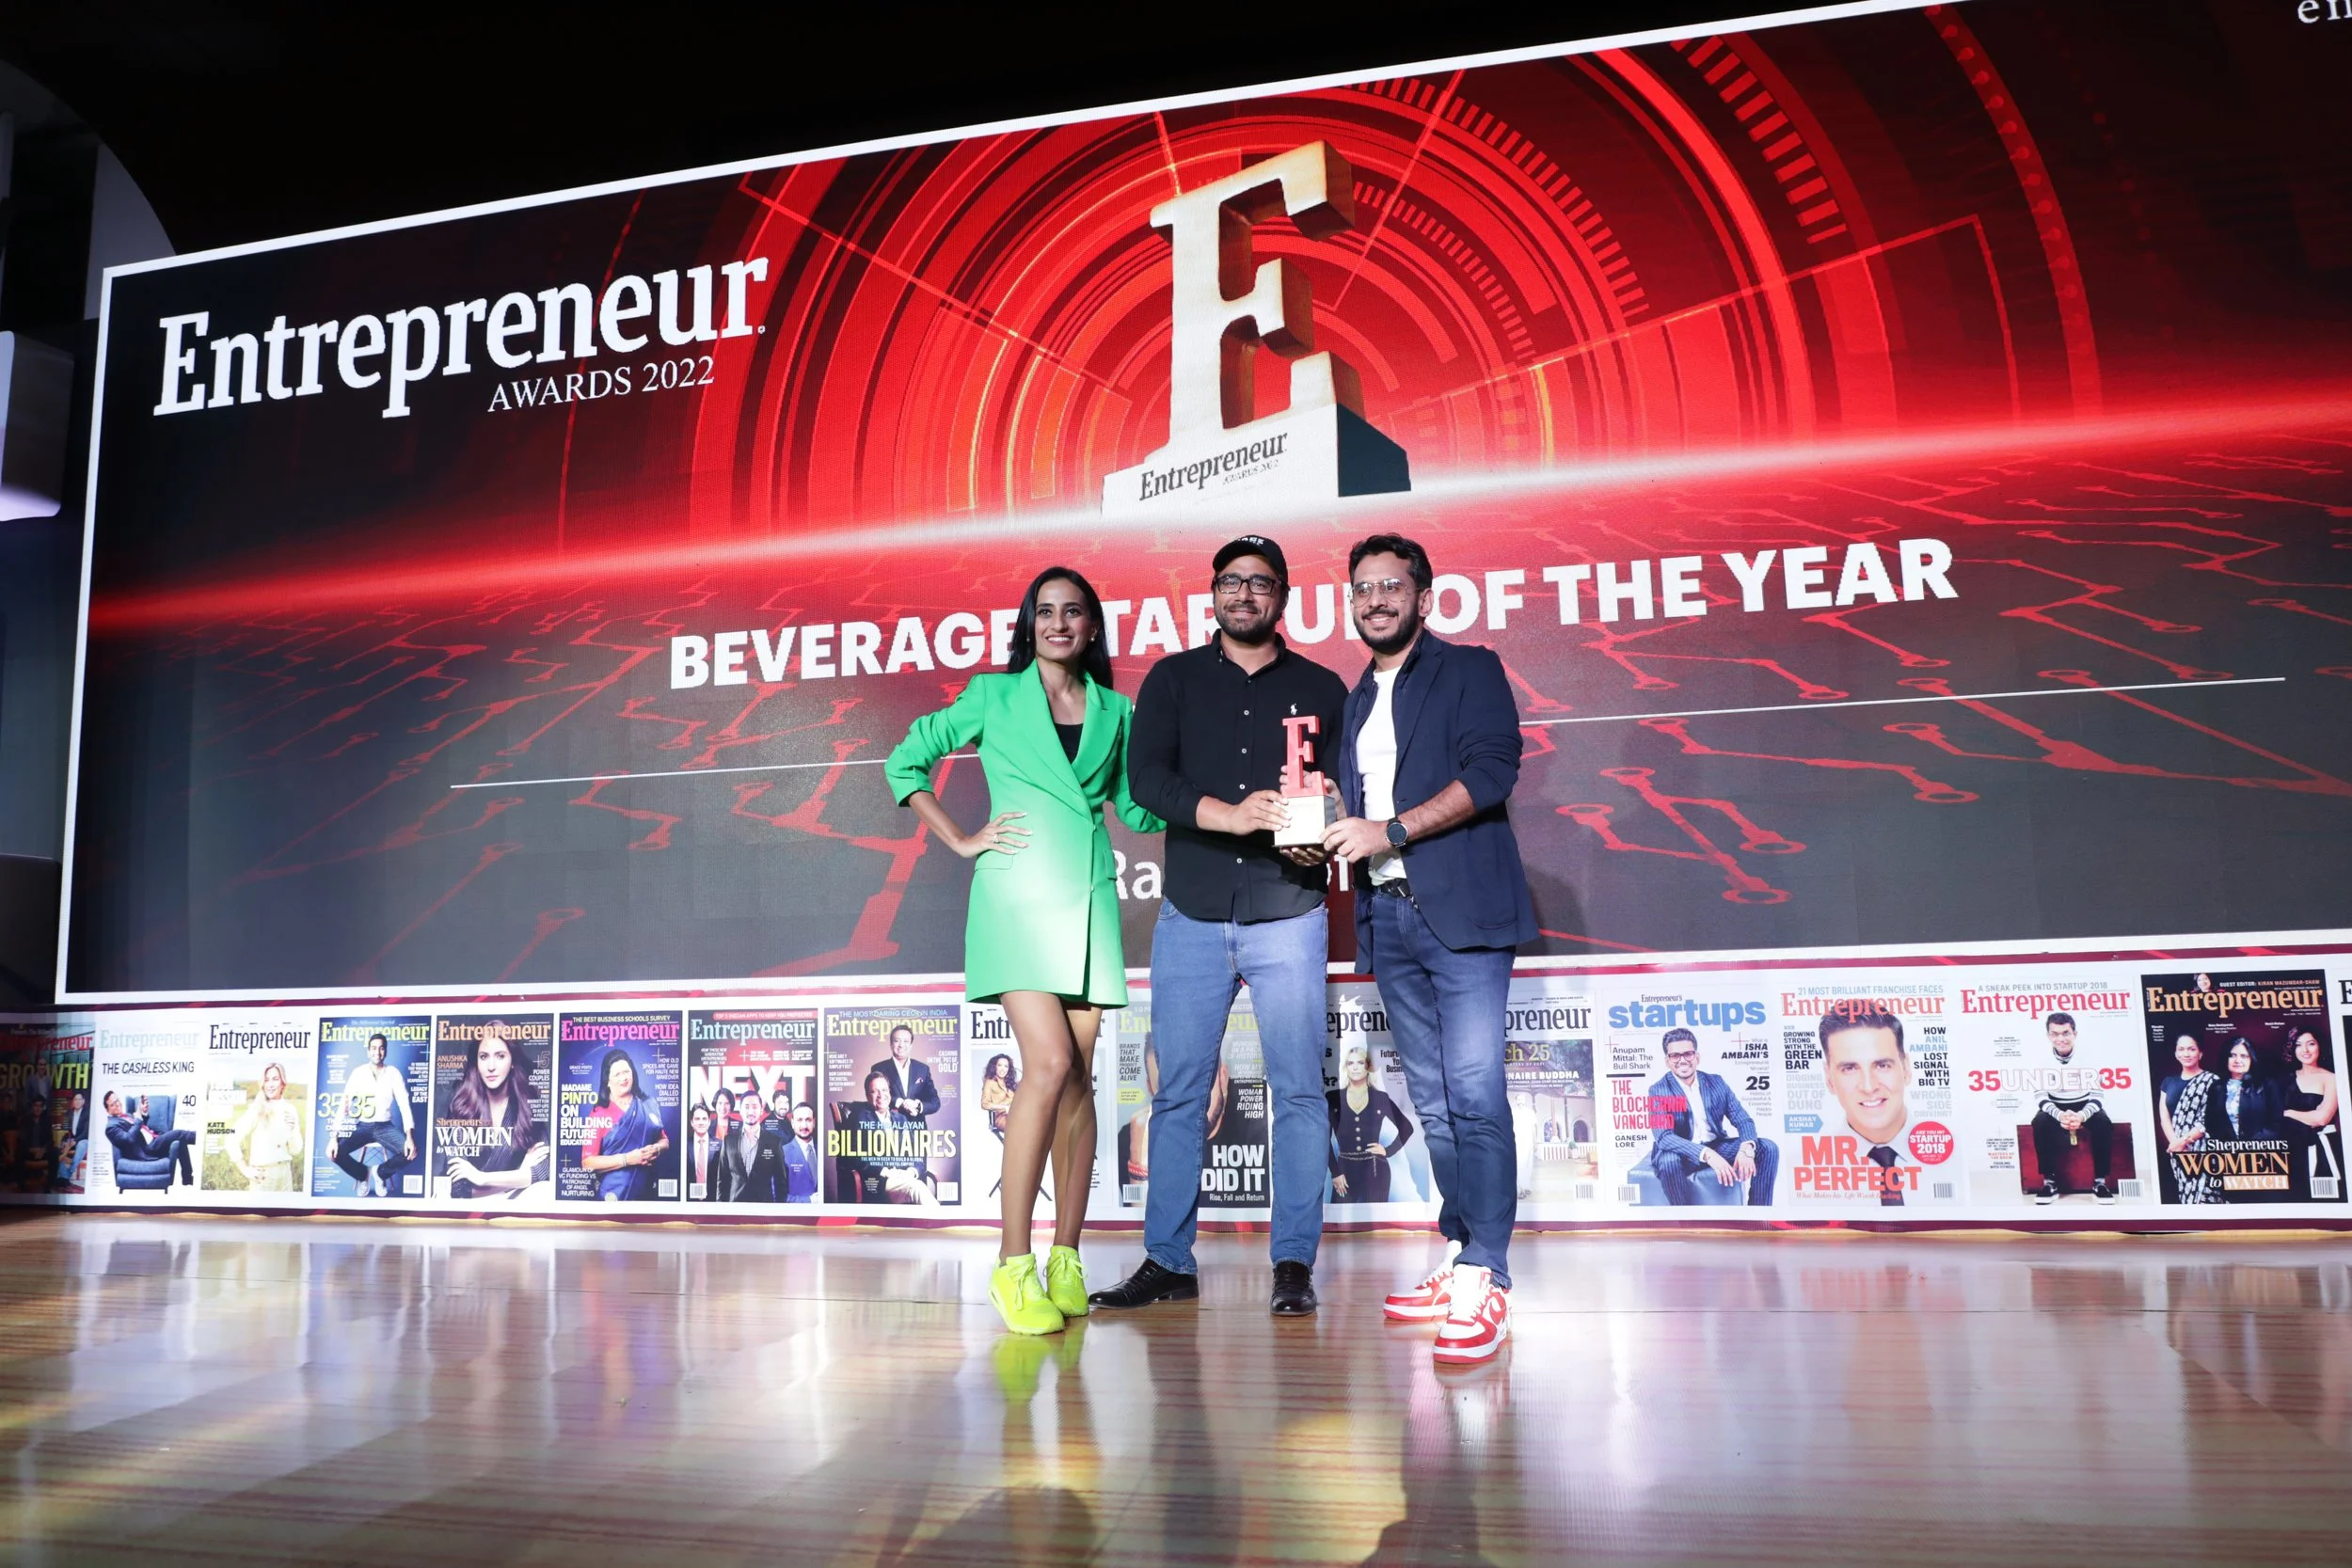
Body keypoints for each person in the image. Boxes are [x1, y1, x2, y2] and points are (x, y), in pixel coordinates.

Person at [886, 565, 1163, 1334]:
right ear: (1029, 623)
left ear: (1092, 626)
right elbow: (905, 761)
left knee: (1078, 1082)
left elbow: (1136, 806)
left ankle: (1065, 1257)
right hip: (1014, 901)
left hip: (1088, 900)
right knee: (1046, 1064)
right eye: (1046, 611)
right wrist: (960, 837)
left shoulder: (1117, 710)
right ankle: (1013, 1265)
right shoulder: (993, 695)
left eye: (1073, 611)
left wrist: (1202, 793)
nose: (1058, 623)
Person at [1091, 534, 1347, 1321]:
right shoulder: (1172, 678)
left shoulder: (1322, 686)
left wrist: (1330, 818)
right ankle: (1168, 1260)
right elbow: (1147, 780)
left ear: (1282, 597)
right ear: (1213, 594)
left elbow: (1346, 790)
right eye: (1232, 581)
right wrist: (1229, 815)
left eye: (1260, 583)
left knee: (1298, 1091)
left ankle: (1293, 1263)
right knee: (1177, 1094)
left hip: (1289, 908)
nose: (1244, 594)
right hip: (1194, 911)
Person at [1323, 533, 1537, 1365]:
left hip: (1465, 913)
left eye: (1391, 585)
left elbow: (1492, 773)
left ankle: (1489, 1274)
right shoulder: (1354, 698)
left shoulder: (1469, 668)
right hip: (1391, 918)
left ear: (1423, 595)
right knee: (1438, 1106)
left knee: (1475, 1093)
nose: (1375, 599)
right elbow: (1359, 808)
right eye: (1362, 587)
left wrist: (1392, 829)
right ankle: (1461, 1248)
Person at [1645, 1028, 1778, 1205]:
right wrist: (1707, 1154)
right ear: (1667, 1061)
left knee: (1768, 1148)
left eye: (1688, 1054)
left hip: (1716, 1145)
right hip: (1681, 1153)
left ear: (1697, 1057)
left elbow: (1743, 1119)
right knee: (1669, 1162)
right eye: (1675, 1056)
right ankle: (1685, 1218)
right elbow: (1664, 1137)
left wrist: (1746, 1148)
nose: (1682, 1060)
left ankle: (1758, 1214)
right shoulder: (1658, 1090)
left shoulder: (1716, 1082)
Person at [1819, 1004, 1919, 1207]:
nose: (1868, 1087)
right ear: (1829, 1079)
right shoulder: (1793, 1171)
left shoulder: (1958, 1157)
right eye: (1849, 1068)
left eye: (1882, 1065)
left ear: (1906, 1068)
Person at [440, 1024, 548, 1201]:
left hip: (507, 1200)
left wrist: (481, 1178)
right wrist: (520, 1175)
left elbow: (543, 1171)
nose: (491, 1067)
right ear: (476, 1062)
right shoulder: (461, 1105)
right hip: (465, 1205)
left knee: (545, 1189)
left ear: (512, 1061)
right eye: (484, 1057)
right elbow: (459, 1189)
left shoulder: (527, 1104)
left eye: (500, 1056)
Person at [2028, 1010, 2116, 1205]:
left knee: (2103, 1123)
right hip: (2055, 1105)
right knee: (2040, 1122)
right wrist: (2060, 1115)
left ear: (2074, 1034)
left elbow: (2097, 1096)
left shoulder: (2091, 1058)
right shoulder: (2040, 1060)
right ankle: (2049, 1182)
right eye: (2055, 1034)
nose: (2061, 1039)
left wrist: (2082, 1116)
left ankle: (2100, 1182)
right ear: (2048, 1035)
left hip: (2084, 1104)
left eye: (2066, 1033)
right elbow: (2041, 1097)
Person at [1327, 1040, 1415, 1203]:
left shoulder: (1380, 1098)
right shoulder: (1333, 1098)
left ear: (1367, 1067)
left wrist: (1388, 1151)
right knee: (1341, 1217)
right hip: (1344, 1171)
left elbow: (1407, 1128)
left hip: (1376, 1171)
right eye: (1350, 1063)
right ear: (1346, 1067)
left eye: (1360, 1063)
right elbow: (1323, 1139)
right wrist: (1335, 1172)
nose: (1355, 1067)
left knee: (1377, 1219)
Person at [578, 1047, 669, 1201]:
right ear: (607, 1081)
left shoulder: (648, 1104)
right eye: (617, 1074)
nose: (624, 1078)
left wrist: (656, 1149)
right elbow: (587, 1163)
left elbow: (664, 1139)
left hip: (648, 1192)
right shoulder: (597, 1114)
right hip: (614, 1196)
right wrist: (627, 1159)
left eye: (626, 1072)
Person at [836, 1069, 940, 1205]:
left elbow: (917, 1154)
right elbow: (855, 1158)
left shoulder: (901, 1119)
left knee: (916, 1189)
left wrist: (912, 1171)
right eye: (874, 1091)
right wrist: (886, 1172)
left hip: (905, 1179)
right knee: (918, 1187)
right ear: (867, 1096)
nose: (881, 1095)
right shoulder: (858, 1118)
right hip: (880, 1182)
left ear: (890, 1093)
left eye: (884, 1090)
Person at [332, 1033, 417, 1196]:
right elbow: (344, 1104)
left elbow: (404, 1105)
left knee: (410, 1152)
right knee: (334, 1152)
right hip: (362, 1126)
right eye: (374, 1048)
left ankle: (380, 1173)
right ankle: (363, 1175)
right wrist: (333, 1138)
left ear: (386, 1051)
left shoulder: (393, 1073)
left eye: (381, 1048)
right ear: (368, 1051)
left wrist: (410, 1137)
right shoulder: (358, 1073)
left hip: (384, 1127)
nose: (377, 1052)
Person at [2160, 1035, 2226, 1204]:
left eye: (2191, 1049)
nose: (2186, 1054)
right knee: (2186, 1197)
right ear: (2176, 1054)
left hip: (2204, 1150)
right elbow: (2164, 1117)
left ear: (2200, 1053)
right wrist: (2175, 1144)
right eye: (2181, 1049)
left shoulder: (2212, 1081)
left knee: (2207, 1198)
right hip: (2177, 1151)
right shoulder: (2168, 1082)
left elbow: (2210, 1118)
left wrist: (2184, 1141)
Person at [2280, 1029, 2341, 1196]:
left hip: (2322, 1149)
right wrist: (2309, 1115)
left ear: (2320, 1046)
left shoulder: (2332, 1078)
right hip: (2293, 1149)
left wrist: (2289, 1113)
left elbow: (2322, 1118)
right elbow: (2274, 1113)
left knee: (2323, 1198)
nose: (2305, 1050)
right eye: (2298, 1045)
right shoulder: (2286, 1078)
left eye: (2311, 1044)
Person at [231, 1062, 304, 1193]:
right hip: (263, 1176)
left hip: (285, 1174)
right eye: (266, 1080)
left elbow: (295, 1151)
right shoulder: (257, 1109)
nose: (270, 1084)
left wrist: (292, 1130)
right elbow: (231, 1138)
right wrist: (245, 1170)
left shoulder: (290, 1109)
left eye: (275, 1079)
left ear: (283, 1083)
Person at [103, 1090, 197, 1188]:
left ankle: (188, 1180)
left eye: (117, 1100)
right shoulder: (111, 1127)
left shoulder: (126, 1115)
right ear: (107, 1110)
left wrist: (143, 1113)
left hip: (154, 1138)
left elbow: (141, 1127)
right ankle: (200, 1138)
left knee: (181, 1142)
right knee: (178, 1133)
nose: (117, 1104)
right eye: (113, 1104)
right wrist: (138, 1119)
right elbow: (129, 1140)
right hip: (148, 1149)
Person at [718, 1087, 787, 1203]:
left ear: (761, 1110)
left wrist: (779, 1211)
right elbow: (722, 1180)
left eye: (754, 1107)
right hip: (735, 1207)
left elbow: (781, 1183)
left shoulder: (774, 1142)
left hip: (764, 1208)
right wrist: (721, 1209)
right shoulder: (728, 1141)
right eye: (746, 1107)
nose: (750, 1111)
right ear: (740, 1110)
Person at [875, 1025, 942, 1128]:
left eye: (906, 1041)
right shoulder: (879, 1068)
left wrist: (918, 1106)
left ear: (911, 1045)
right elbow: (875, 1096)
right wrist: (900, 1102)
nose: (901, 1045)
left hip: (918, 1129)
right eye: (897, 1041)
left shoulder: (923, 1069)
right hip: (889, 1128)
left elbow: (935, 1102)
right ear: (891, 1044)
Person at [2219, 1038, 2280, 1141]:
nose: (2237, 1060)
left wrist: (2251, 1144)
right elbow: (2212, 1123)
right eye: (2232, 1055)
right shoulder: (2216, 1087)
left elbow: (2276, 1124)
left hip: (2261, 1147)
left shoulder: (2268, 1085)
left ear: (2252, 1058)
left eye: (2244, 1056)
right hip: (2226, 1148)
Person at [782, 1101, 821, 1201]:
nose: (804, 1126)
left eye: (808, 1120)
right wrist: (809, 1201)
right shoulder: (782, 1153)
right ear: (792, 1123)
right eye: (799, 1120)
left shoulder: (822, 1151)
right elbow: (778, 1197)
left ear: (814, 1122)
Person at [980, 1053, 1019, 1136]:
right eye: (1000, 1065)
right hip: (1001, 1117)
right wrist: (1004, 1107)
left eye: (1006, 1066)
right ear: (995, 1067)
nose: (1003, 1069)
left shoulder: (1010, 1083)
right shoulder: (990, 1083)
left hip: (1016, 1115)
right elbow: (985, 1104)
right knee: (1019, 1128)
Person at [687, 1102, 718, 1199]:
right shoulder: (685, 1145)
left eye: (704, 1119)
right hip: (690, 1199)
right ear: (692, 1122)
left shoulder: (720, 1145)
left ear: (709, 1122)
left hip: (713, 1200)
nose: (701, 1122)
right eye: (697, 1119)